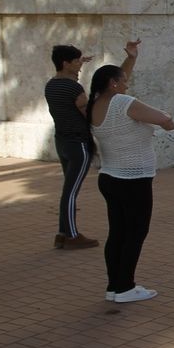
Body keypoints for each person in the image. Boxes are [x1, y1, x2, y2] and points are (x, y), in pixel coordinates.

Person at [87, 57, 174, 303]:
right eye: (124, 81)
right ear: (113, 83)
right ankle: (125, 286)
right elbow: (161, 117)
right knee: (135, 232)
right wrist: (168, 121)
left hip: (110, 176)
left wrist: (131, 57)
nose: (127, 84)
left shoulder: (95, 104)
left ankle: (114, 286)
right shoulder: (122, 102)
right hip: (133, 178)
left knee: (118, 232)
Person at [46, 41, 135, 249]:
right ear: (66, 63)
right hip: (78, 143)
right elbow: (87, 112)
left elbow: (68, 98)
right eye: (76, 61)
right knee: (71, 192)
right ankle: (71, 236)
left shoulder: (51, 85)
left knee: (68, 189)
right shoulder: (74, 88)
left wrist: (77, 66)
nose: (80, 65)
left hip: (62, 141)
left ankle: (63, 233)